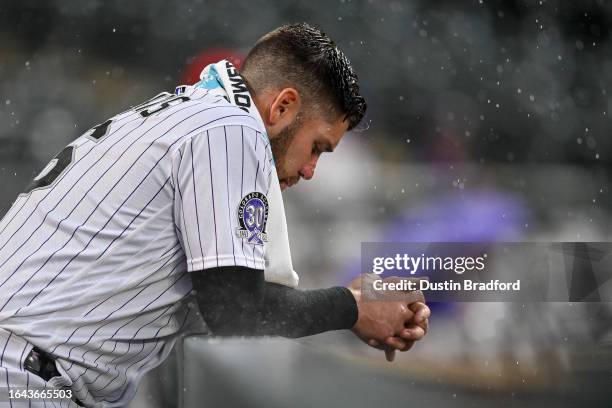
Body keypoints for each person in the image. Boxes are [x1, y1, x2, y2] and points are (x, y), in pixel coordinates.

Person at [0, 23, 429, 407]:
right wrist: (352, 308)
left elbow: (218, 301)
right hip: (23, 376)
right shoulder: (230, 127)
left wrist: (355, 303)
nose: (310, 170)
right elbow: (235, 309)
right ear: (282, 107)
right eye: (317, 147)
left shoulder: (199, 112)